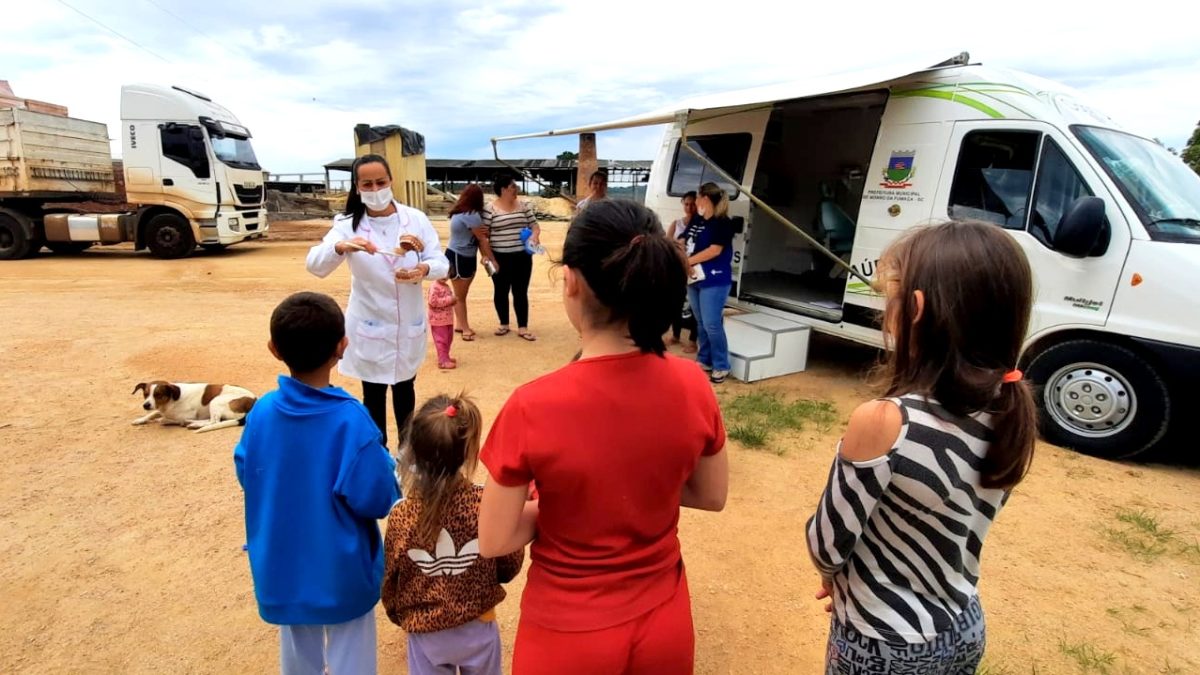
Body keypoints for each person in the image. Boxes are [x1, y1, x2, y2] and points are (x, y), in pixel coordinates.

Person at [477, 199, 729, 675]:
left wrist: (557, 504)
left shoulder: (533, 404)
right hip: (665, 622)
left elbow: (494, 538)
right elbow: (711, 495)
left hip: (567, 633)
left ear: (571, 280)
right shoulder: (695, 383)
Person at [804, 220, 1037, 674]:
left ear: (914, 308)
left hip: (887, 642)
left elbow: (826, 548)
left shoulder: (886, 420)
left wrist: (848, 584)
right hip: (963, 622)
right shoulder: (1007, 405)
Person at [234, 291, 401, 675]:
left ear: (274, 349)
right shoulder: (351, 420)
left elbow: (247, 470)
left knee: (297, 657)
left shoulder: (261, 412)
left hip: (283, 565)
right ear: (343, 346)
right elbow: (377, 497)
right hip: (340, 572)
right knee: (352, 657)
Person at [305, 154, 449, 450]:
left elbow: (441, 262)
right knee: (372, 394)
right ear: (357, 187)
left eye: (380, 182)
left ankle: (407, 454)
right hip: (369, 323)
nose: (375, 189)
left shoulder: (415, 220)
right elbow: (315, 265)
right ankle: (377, 455)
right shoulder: (347, 225)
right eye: (367, 184)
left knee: (405, 388)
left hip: (408, 323)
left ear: (391, 181)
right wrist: (340, 247)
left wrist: (422, 270)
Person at [382, 394, 524, 675]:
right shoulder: (484, 505)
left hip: (425, 630)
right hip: (478, 623)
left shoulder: (401, 515)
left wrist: (400, 615)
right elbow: (509, 562)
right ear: (468, 452)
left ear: (412, 452)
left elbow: (391, 578)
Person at [684, 182, 735, 383]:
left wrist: (687, 261)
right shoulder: (696, 219)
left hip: (714, 278)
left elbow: (715, 250)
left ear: (706, 198)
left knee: (712, 323)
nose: (695, 202)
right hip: (694, 277)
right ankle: (704, 359)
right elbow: (685, 239)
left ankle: (722, 365)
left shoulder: (723, 223)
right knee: (701, 322)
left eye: (697, 197)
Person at [482, 174, 540, 341]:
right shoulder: (489, 209)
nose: (516, 189)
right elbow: (484, 236)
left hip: (522, 257)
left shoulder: (524, 206)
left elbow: (535, 226)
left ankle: (523, 327)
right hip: (498, 258)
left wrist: (535, 236)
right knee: (500, 291)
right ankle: (504, 324)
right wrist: (487, 257)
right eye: (513, 186)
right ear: (503, 189)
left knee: (520, 291)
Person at [447, 184, 495, 342]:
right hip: (461, 256)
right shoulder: (471, 215)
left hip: (458, 254)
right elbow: (482, 239)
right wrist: (491, 258)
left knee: (460, 294)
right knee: (460, 296)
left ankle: (461, 324)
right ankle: (465, 328)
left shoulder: (460, 213)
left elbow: (478, 236)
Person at [668, 191, 699, 353]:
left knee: (694, 305)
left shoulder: (701, 225)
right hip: (679, 269)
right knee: (676, 302)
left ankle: (693, 340)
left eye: (692, 204)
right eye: (686, 204)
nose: (689, 207)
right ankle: (676, 334)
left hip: (695, 269)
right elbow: (666, 243)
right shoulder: (677, 223)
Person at [428, 278, 457, 369]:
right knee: (441, 340)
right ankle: (442, 361)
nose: (444, 276)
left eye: (447, 273)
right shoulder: (434, 287)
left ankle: (445, 356)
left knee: (448, 338)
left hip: (447, 319)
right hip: (438, 320)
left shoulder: (446, 286)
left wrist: (453, 301)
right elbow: (433, 302)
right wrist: (450, 300)